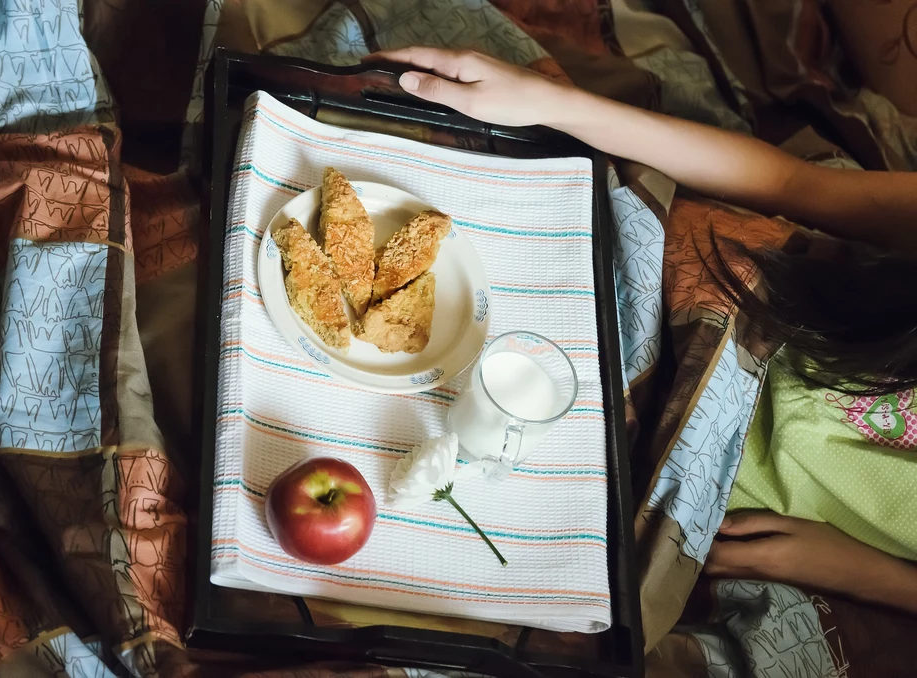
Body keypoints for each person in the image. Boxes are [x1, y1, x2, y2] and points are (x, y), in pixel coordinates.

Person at [373, 46, 917, 615]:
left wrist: (867, 575)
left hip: (703, 470)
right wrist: (556, 104)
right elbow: (790, 184)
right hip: (724, 298)